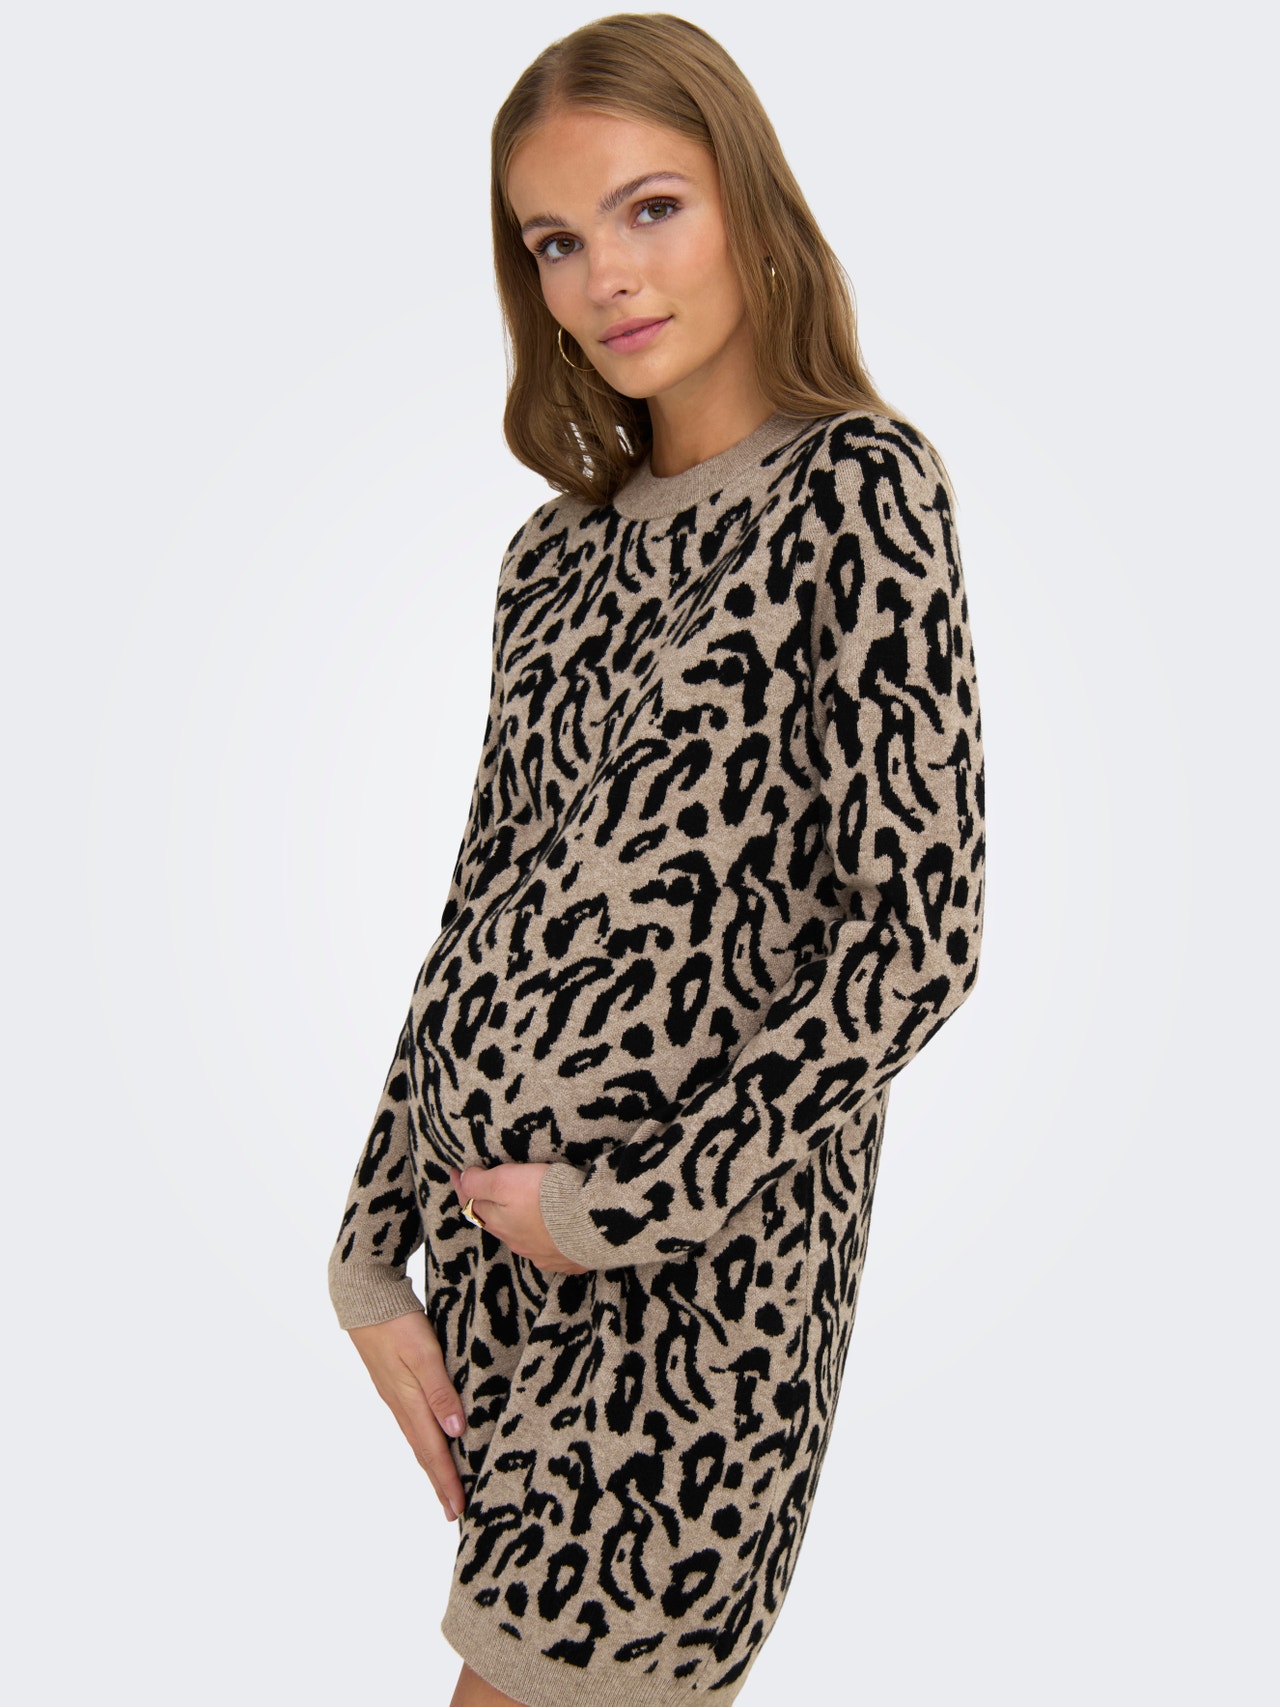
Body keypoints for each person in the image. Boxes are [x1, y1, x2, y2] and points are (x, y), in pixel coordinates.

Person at [326, 13, 986, 1705]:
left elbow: (917, 936)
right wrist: (370, 1249)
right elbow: (480, 908)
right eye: (556, 240)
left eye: (650, 208)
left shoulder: (859, 493)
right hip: (493, 1271)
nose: (606, 275)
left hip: (697, 1303)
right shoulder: (551, 561)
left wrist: (617, 1206)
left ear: (750, 204)